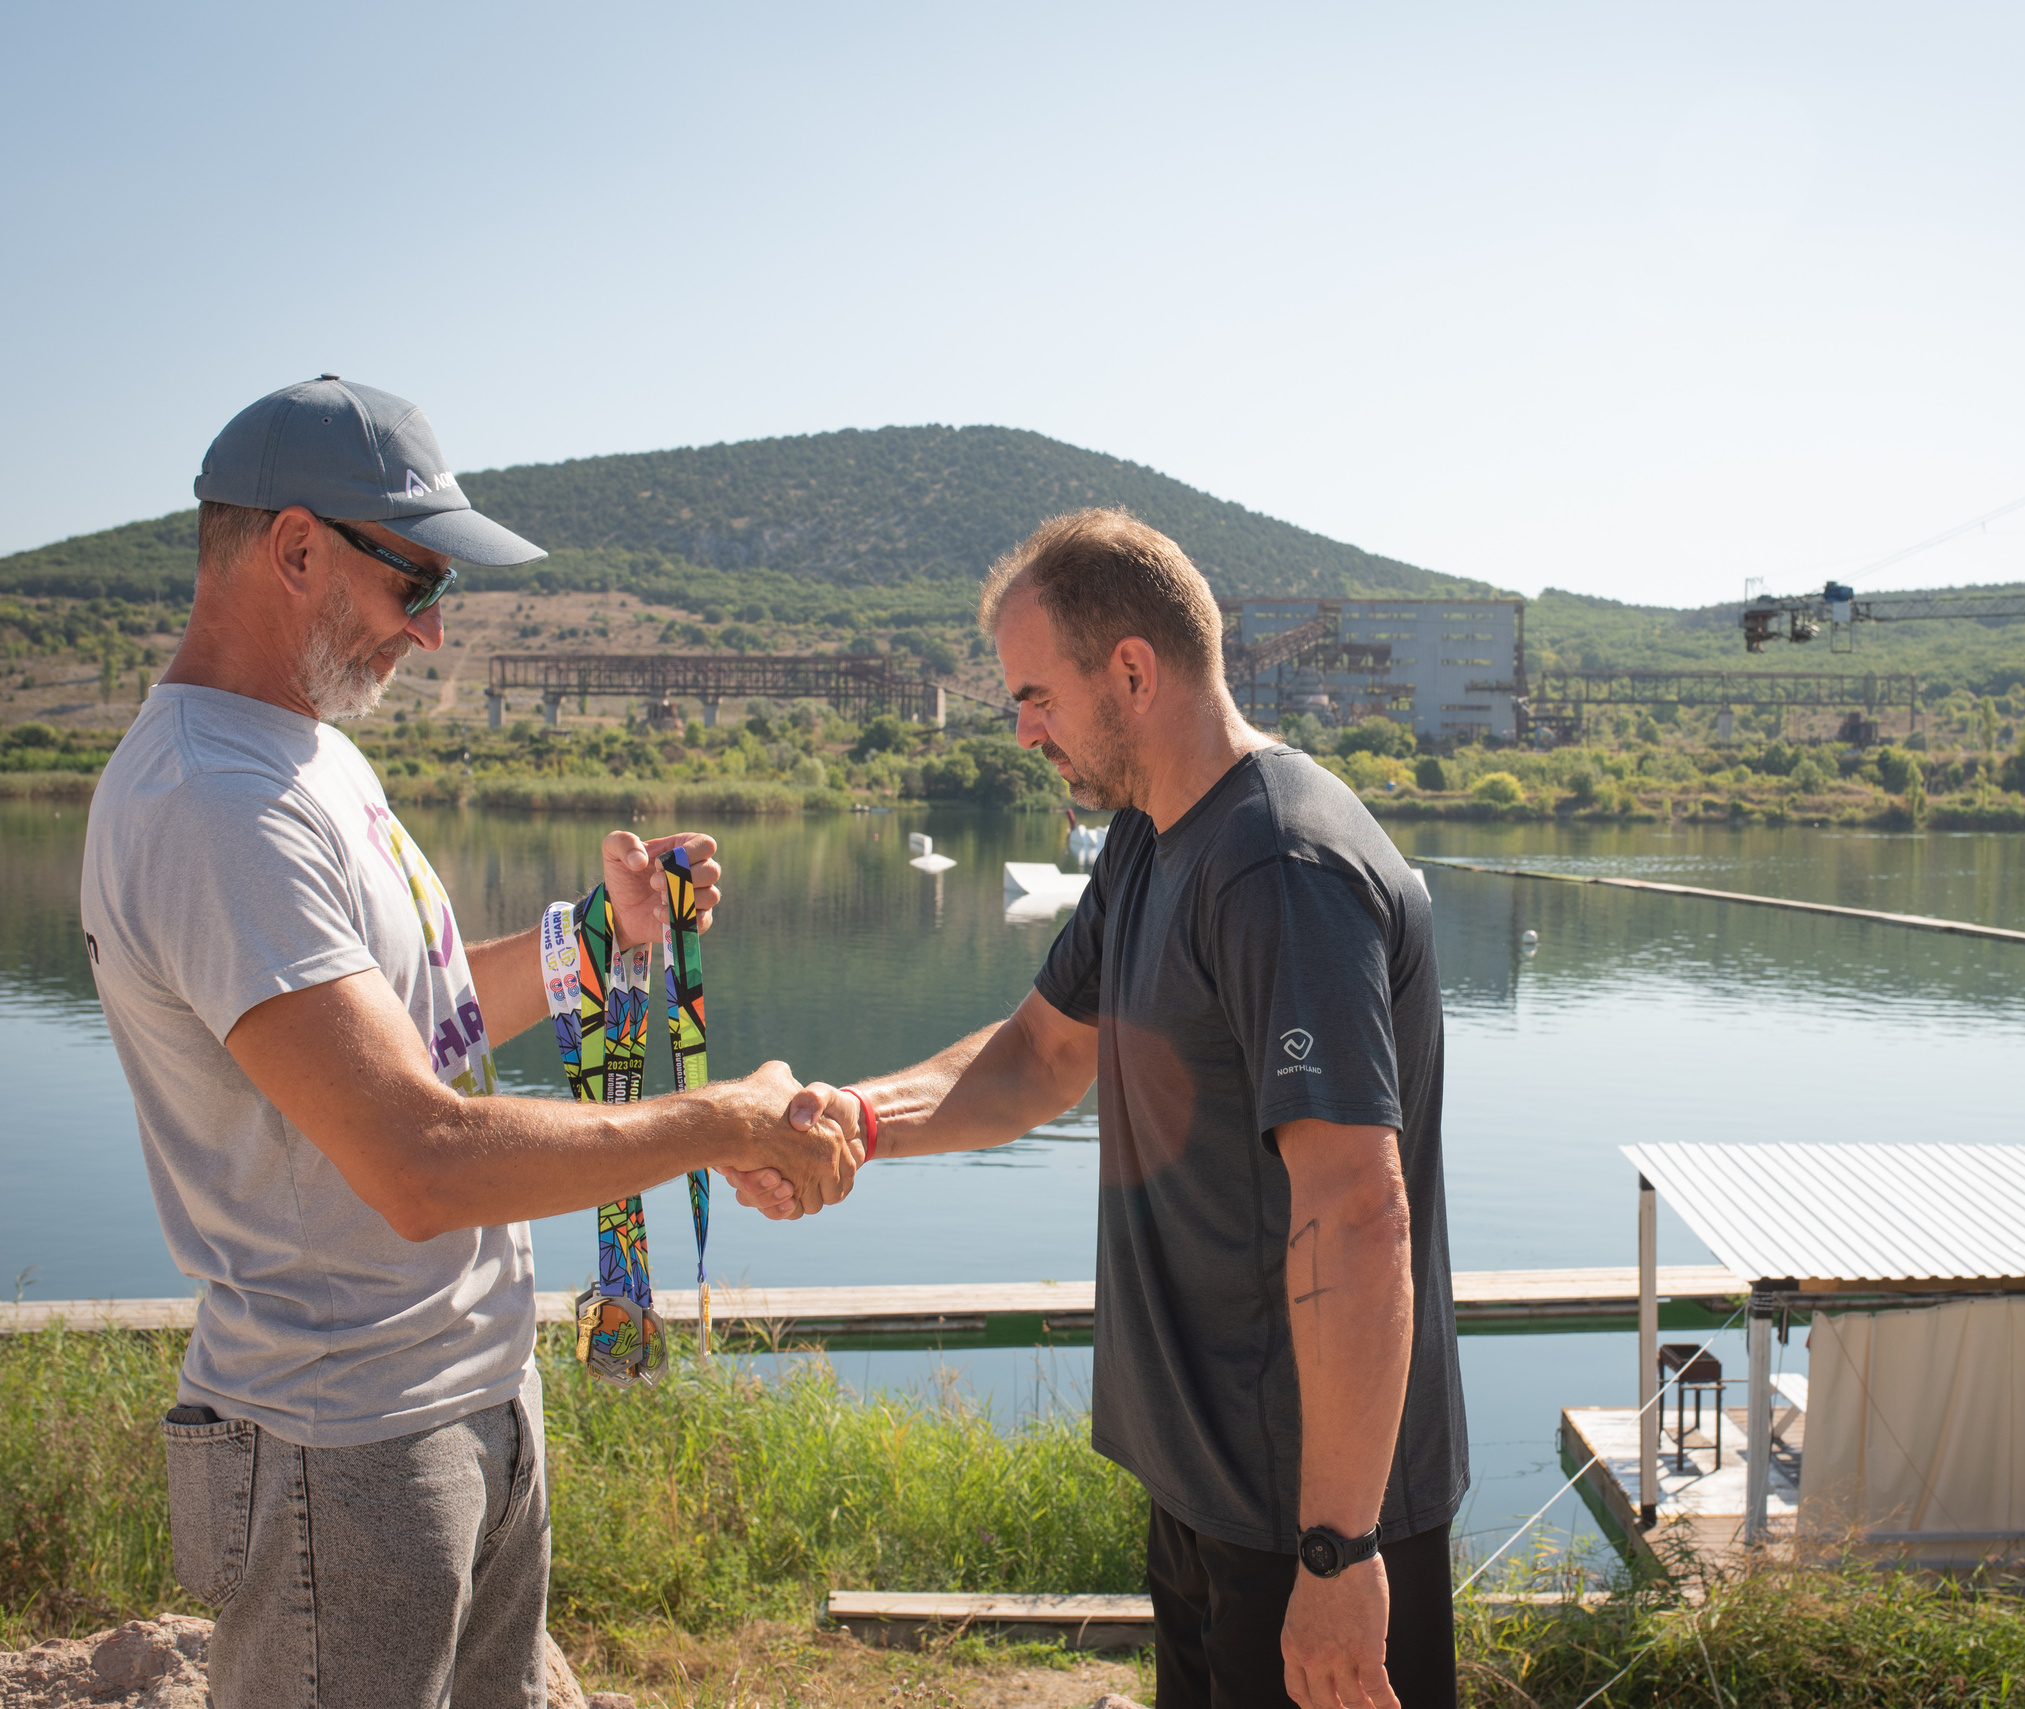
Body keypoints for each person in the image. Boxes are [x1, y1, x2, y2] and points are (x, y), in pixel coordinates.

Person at [79, 376, 858, 1709]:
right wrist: (722, 1118)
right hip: (347, 1445)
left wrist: (599, 943)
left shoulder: (305, 754)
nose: (431, 637)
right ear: (300, 549)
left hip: (452, 1403)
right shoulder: (218, 802)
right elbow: (418, 1158)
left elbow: (417, 1019)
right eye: (418, 585)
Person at [730, 509, 1468, 1709]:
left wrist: (1338, 1548)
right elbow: (1036, 1057)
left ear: (1131, 669)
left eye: (1035, 696)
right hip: (1204, 1489)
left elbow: (1357, 1206)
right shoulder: (1148, 841)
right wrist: (842, 1122)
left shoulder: (1281, 866)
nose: (1021, 730)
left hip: (1305, 1516)